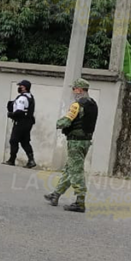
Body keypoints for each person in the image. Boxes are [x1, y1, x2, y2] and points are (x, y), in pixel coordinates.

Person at [44, 78, 98, 213]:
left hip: (75, 142)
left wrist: (58, 123)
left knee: (76, 171)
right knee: (70, 169)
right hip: (86, 141)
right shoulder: (93, 104)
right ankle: (56, 195)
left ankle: (80, 202)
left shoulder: (77, 105)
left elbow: (66, 122)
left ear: (79, 89)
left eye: (74, 89)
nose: (73, 91)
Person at [4, 80, 36, 168]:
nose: (19, 87)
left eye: (20, 86)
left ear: (25, 87)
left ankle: (11, 160)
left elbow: (19, 111)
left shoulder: (22, 98)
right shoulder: (31, 97)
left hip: (21, 122)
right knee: (25, 141)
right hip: (28, 122)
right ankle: (31, 160)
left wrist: (11, 114)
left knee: (13, 140)